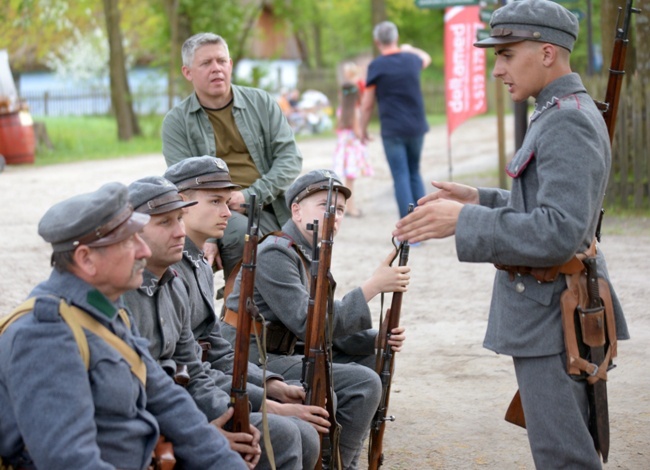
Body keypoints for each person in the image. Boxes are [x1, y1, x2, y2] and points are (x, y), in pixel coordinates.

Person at [392, 1, 629, 467]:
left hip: (553, 314)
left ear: (546, 53)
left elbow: (560, 231)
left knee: (564, 456)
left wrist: (463, 222)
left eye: (506, 54)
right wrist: (479, 199)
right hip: (551, 310)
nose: (497, 68)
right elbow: (551, 206)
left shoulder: (567, 120)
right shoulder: (559, 109)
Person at [0, 182, 245, 469]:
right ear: (86, 259)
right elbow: (69, 461)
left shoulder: (105, 310)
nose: (143, 251)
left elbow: (167, 401)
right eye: (130, 241)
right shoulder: (45, 334)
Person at [123, 174, 322, 470]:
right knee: (281, 433)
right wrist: (202, 431)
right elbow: (144, 387)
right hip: (145, 427)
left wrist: (266, 392)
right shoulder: (122, 297)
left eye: (179, 219)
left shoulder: (174, 282)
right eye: (165, 222)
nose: (180, 232)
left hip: (184, 406)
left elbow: (193, 367)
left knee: (300, 427)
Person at [223, 169, 408, 468]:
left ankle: (336, 454)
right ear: (296, 210)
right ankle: (338, 464)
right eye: (326, 206)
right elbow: (308, 324)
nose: (334, 216)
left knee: (372, 359)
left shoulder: (309, 252)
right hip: (255, 356)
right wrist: (373, 287)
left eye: (341, 211)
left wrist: (376, 339)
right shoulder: (276, 253)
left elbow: (323, 323)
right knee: (364, 383)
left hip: (285, 349)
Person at [161, 32, 302, 285]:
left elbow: (289, 158)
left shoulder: (261, 103)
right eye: (205, 63)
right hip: (218, 211)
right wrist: (212, 233)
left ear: (231, 65)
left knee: (312, 224)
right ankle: (238, 309)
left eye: (221, 61)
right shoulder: (176, 122)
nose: (216, 69)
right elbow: (184, 185)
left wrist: (251, 195)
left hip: (272, 201)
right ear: (188, 72)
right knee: (242, 234)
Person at [359, 21, 431, 219]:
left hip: (393, 130)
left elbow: (367, 104)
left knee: (401, 176)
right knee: (414, 172)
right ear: (396, 38)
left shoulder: (376, 66)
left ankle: (410, 230)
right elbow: (426, 57)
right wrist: (410, 48)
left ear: (377, 42)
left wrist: (362, 129)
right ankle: (424, 223)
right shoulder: (411, 59)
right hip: (416, 127)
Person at [334, 62, 373, 218]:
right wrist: (363, 134)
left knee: (347, 181)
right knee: (350, 182)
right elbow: (357, 132)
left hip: (343, 150)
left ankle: (348, 207)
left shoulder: (341, 110)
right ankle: (350, 208)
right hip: (352, 151)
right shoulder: (355, 112)